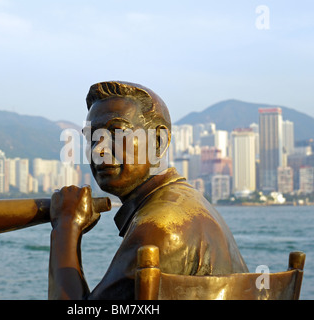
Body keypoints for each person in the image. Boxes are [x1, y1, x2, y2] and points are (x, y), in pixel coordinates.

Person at [48, 81, 248, 300]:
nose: (99, 149)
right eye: (91, 138)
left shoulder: (161, 227)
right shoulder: (185, 203)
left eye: (117, 132)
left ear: (158, 141)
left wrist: (66, 226)